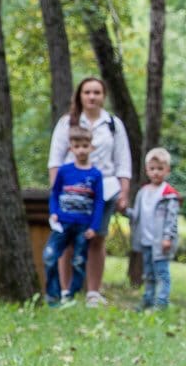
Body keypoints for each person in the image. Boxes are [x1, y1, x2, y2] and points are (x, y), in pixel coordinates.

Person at [47, 77, 132, 307]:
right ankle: (66, 291)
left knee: (96, 238)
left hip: (104, 189)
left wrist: (124, 193)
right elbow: (55, 159)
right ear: (80, 95)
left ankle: (93, 292)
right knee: (68, 240)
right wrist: (56, 192)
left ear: (103, 96)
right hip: (71, 191)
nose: (92, 97)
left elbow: (123, 161)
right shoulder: (68, 122)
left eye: (96, 92)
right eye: (87, 92)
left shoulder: (113, 124)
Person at [43, 127, 104, 307]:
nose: (81, 150)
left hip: (83, 226)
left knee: (79, 261)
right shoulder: (64, 171)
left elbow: (99, 202)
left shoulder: (95, 175)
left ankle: (71, 295)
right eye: (77, 146)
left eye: (85, 146)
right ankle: (53, 296)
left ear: (91, 147)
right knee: (49, 255)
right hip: (62, 223)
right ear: (71, 148)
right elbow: (55, 193)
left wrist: (94, 226)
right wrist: (54, 212)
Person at [128, 147, 181, 311]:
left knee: (162, 273)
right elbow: (136, 215)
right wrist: (124, 211)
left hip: (160, 242)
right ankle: (148, 299)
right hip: (145, 241)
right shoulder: (143, 192)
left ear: (167, 170)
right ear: (147, 170)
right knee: (148, 273)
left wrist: (168, 237)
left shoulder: (169, 194)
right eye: (152, 169)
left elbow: (172, 219)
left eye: (160, 168)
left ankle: (162, 302)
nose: (156, 172)